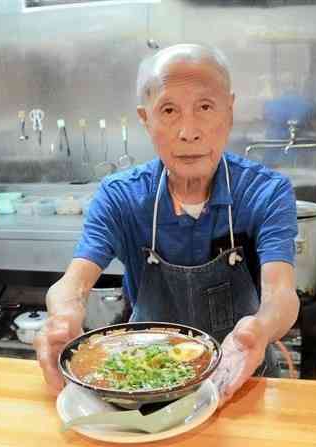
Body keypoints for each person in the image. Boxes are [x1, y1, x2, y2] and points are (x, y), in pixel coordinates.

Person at [35, 43, 299, 403]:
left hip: (243, 377)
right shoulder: (120, 196)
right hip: (145, 384)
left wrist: (261, 327)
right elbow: (72, 285)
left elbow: (281, 294)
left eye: (205, 107)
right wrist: (63, 317)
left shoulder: (265, 191)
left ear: (230, 110)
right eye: (169, 110)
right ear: (146, 119)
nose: (188, 131)